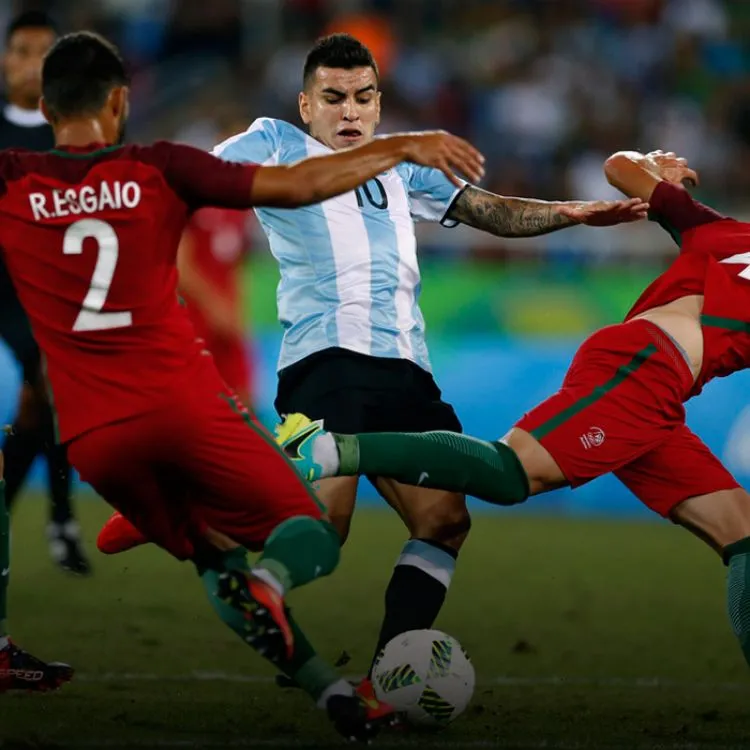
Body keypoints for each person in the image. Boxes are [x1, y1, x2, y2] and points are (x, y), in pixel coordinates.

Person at [0, 30, 483, 739]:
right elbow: (301, 182)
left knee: (411, 521)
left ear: (43, 106)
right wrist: (403, 147)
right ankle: (273, 583)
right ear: (123, 100)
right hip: (188, 394)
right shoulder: (158, 168)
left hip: (92, 435)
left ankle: (339, 694)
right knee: (312, 531)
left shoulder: (12, 176)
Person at [213, 33, 647, 673]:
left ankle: (393, 668)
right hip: (324, 360)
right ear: (306, 105)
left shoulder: (402, 168)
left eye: (362, 97)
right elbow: (214, 177)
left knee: (444, 520)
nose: (349, 112)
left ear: (379, 102)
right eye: (333, 98)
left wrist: (573, 212)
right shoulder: (275, 143)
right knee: (325, 527)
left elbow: (490, 211)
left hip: (406, 371)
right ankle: (243, 572)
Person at [276, 148, 750, 670]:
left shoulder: (726, 234)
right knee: (509, 474)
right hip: (642, 374)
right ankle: (329, 450)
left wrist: (662, 178)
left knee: (743, 534)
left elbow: (617, 165)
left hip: (652, 384)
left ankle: (386, 677)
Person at [0, 9, 90, 575]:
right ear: (6, 59)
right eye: (22, 51)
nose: (32, 63)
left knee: (42, 408)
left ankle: (29, 515)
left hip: (59, 289)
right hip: (5, 287)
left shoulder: (76, 130)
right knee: (51, 389)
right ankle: (61, 517)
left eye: (44, 53)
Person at [177, 119, 255, 407]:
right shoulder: (194, 196)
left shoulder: (242, 205)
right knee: (198, 405)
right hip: (196, 320)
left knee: (246, 402)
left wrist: (237, 311)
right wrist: (215, 306)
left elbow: (234, 266)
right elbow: (180, 265)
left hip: (227, 322)